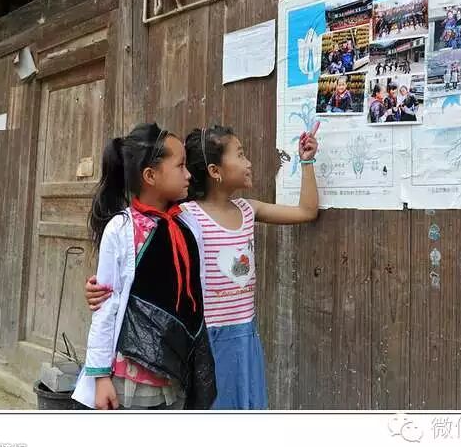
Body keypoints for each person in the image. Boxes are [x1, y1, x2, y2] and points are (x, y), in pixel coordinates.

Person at [86, 125, 320, 410]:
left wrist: (307, 162)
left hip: (240, 338)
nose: (248, 162)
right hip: (202, 339)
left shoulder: (229, 213)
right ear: (214, 170)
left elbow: (306, 211)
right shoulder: (184, 216)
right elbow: (131, 269)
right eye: (240, 154)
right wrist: (101, 289)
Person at [72, 123, 216, 410]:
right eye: (180, 166)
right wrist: (100, 376)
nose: (188, 174)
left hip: (177, 369)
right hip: (134, 376)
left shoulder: (188, 223)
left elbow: (197, 290)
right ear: (150, 175)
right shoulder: (122, 229)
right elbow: (106, 307)